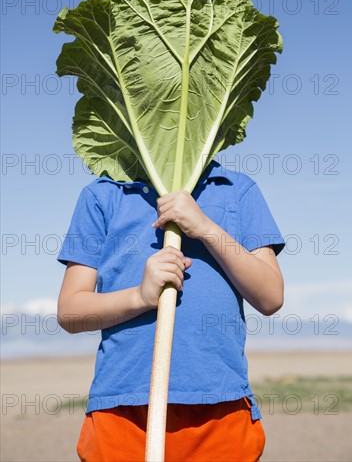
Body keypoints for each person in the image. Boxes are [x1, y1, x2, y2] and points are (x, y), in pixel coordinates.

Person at [57, 158, 285, 462]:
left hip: (219, 405)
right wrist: (140, 296)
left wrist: (206, 228)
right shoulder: (104, 193)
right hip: (123, 408)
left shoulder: (237, 190)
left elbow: (270, 297)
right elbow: (70, 311)